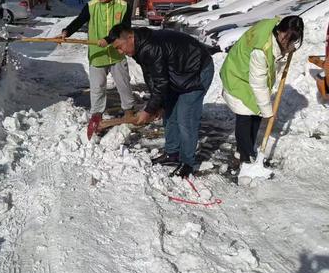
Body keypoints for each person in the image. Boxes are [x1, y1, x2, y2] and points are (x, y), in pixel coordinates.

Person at [106, 24, 214, 178]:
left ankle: (187, 163)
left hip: (196, 70)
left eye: (120, 47)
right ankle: (172, 153)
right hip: (177, 73)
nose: (120, 52)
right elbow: (152, 77)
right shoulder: (139, 47)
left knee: (185, 118)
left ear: (130, 37)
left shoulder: (151, 46)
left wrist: (148, 110)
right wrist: (158, 105)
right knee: (169, 113)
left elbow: (161, 83)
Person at [220, 15, 304, 165]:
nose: (288, 42)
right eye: (287, 38)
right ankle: (245, 158)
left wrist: (286, 50)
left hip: (248, 72)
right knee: (245, 116)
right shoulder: (261, 49)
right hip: (237, 74)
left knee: (256, 112)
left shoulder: (275, 26)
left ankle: (246, 150)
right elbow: (258, 84)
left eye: (293, 39)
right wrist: (268, 112)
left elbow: (270, 65)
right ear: (280, 31)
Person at [60, 0, 135, 121]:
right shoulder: (91, 6)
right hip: (97, 54)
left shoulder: (123, 6)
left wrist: (108, 40)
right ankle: (96, 116)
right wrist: (67, 31)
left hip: (117, 53)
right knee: (97, 88)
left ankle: (129, 112)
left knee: (124, 84)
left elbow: (125, 28)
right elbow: (79, 20)